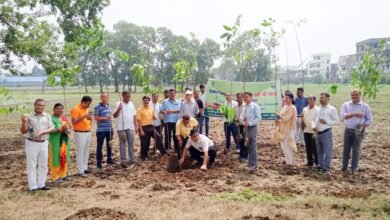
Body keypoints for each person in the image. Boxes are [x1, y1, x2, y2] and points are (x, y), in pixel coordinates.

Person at [21, 99, 54, 191]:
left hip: (44, 143)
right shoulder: (28, 117)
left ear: (44, 106)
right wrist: (23, 122)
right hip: (32, 143)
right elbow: (23, 131)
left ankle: (41, 184)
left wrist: (43, 132)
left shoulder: (46, 116)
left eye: (42, 105)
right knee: (32, 165)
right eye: (38, 105)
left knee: (43, 164)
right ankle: (33, 186)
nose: (40, 107)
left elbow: (52, 127)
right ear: (34, 105)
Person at [340, 89, 372, 175]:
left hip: (359, 132)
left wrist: (362, 126)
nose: (354, 96)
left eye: (356, 95)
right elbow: (343, 117)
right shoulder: (346, 104)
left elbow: (369, 120)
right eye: (353, 95)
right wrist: (354, 114)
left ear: (360, 95)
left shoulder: (365, 106)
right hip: (348, 130)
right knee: (346, 149)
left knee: (356, 150)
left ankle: (354, 168)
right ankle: (344, 166)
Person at [311, 93, 339, 175]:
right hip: (317, 133)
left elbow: (337, 121)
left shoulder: (332, 109)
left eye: (322, 98)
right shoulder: (317, 108)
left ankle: (326, 168)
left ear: (327, 99)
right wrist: (313, 126)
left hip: (326, 132)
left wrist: (327, 122)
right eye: (320, 97)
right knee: (319, 151)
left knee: (327, 151)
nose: (320, 99)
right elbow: (313, 119)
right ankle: (320, 165)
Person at [136, 96, 167, 160]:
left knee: (158, 137)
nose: (146, 102)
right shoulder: (139, 110)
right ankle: (144, 156)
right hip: (143, 127)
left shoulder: (150, 108)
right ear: (142, 101)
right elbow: (138, 121)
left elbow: (153, 117)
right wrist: (141, 130)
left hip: (151, 126)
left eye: (147, 101)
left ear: (149, 102)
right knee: (145, 142)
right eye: (145, 100)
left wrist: (154, 117)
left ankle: (163, 153)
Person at [48, 103, 72, 183]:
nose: (60, 110)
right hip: (55, 142)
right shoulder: (51, 119)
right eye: (58, 108)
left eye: (61, 108)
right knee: (55, 159)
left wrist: (67, 129)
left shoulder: (63, 118)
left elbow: (68, 128)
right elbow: (51, 131)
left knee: (63, 158)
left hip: (63, 142)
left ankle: (63, 175)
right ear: (54, 109)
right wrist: (60, 129)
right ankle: (55, 176)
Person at [113, 91, 138, 166]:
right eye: (126, 96)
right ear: (123, 96)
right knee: (122, 143)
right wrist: (119, 109)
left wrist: (135, 126)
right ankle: (123, 159)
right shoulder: (118, 104)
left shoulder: (131, 104)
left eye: (129, 96)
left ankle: (131, 158)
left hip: (130, 127)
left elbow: (134, 116)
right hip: (122, 128)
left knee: (131, 143)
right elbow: (114, 116)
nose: (128, 98)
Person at [71, 96, 93, 178]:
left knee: (86, 151)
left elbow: (86, 120)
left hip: (87, 132)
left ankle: (85, 167)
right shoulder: (76, 109)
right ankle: (80, 170)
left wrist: (90, 119)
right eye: (87, 104)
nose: (88, 106)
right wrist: (84, 116)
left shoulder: (86, 109)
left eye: (89, 104)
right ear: (83, 102)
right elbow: (74, 122)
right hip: (80, 133)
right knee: (80, 151)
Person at [272, 93, 297, 166]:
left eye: (287, 98)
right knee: (283, 146)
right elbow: (281, 117)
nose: (285, 99)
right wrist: (277, 119)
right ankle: (287, 161)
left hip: (289, 129)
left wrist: (279, 115)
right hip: (282, 128)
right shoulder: (285, 107)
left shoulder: (292, 107)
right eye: (285, 98)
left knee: (287, 145)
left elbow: (286, 118)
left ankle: (290, 162)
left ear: (291, 99)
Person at [240, 92, 261, 172]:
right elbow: (241, 116)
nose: (245, 99)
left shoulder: (255, 106)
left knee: (252, 145)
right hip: (246, 127)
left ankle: (254, 165)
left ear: (251, 97)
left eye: (246, 97)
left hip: (252, 127)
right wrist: (243, 121)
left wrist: (250, 123)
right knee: (248, 145)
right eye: (244, 97)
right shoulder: (244, 106)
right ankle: (250, 163)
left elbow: (258, 118)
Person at [94, 93, 115, 172]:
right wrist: (105, 118)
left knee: (109, 144)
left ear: (108, 98)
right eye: (102, 97)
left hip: (109, 129)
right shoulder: (97, 107)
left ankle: (109, 159)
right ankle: (99, 163)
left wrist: (109, 119)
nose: (104, 98)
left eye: (105, 97)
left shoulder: (109, 106)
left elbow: (110, 117)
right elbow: (96, 118)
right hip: (101, 130)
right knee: (99, 146)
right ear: (100, 98)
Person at [302, 95, 319, 168]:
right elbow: (303, 117)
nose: (309, 101)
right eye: (308, 99)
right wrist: (302, 122)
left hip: (314, 131)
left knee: (315, 148)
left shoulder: (318, 109)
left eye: (311, 99)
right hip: (306, 130)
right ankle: (310, 162)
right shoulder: (305, 109)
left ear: (314, 100)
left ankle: (317, 162)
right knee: (308, 147)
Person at [235, 93, 248, 160]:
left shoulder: (245, 106)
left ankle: (246, 155)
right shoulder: (236, 107)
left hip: (245, 126)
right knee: (240, 140)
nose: (238, 99)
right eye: (237, 97)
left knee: (245, 139)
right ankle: (241, 154)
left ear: (242, 98)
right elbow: (235, 117)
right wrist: (236, 122)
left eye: (240, 97)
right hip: (238, 126)